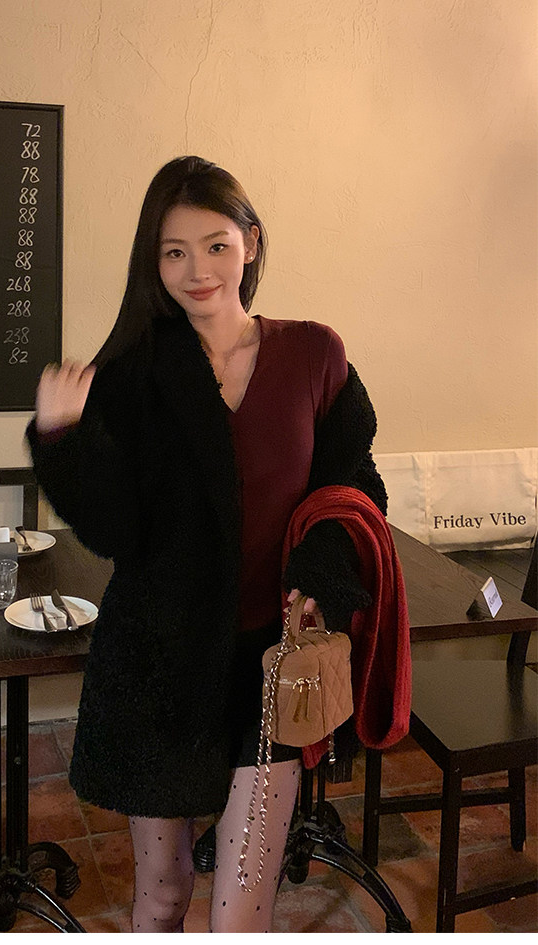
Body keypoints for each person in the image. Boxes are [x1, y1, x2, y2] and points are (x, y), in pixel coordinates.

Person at [26, 155, 389, 932]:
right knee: (162, 894)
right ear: (153, 263)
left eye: (216, 244)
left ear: (250, 242)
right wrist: (62, 441)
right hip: (159, 668)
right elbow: (115, 531)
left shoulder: (314, 354)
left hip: (269, 671)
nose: (198, 270)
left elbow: (353, 482)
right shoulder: (132, 374)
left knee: (241, 911)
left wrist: (321, 572)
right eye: (175, 252)